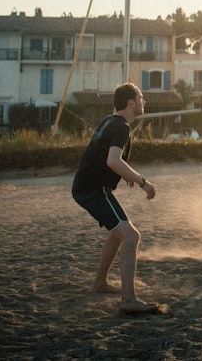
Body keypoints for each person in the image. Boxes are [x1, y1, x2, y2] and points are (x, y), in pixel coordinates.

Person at [71, 82, 159, 314]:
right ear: (131, 103)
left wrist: (124, 174)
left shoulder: (109, 121)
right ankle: (128, 300)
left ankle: (99, 283)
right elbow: (112, 160)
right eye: (141, 97)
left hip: (86, 187)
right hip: (93, 190)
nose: (144, 101)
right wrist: (142, 181)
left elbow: (105, 158)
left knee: (119, 233)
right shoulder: (122, 128)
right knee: (131, 236)